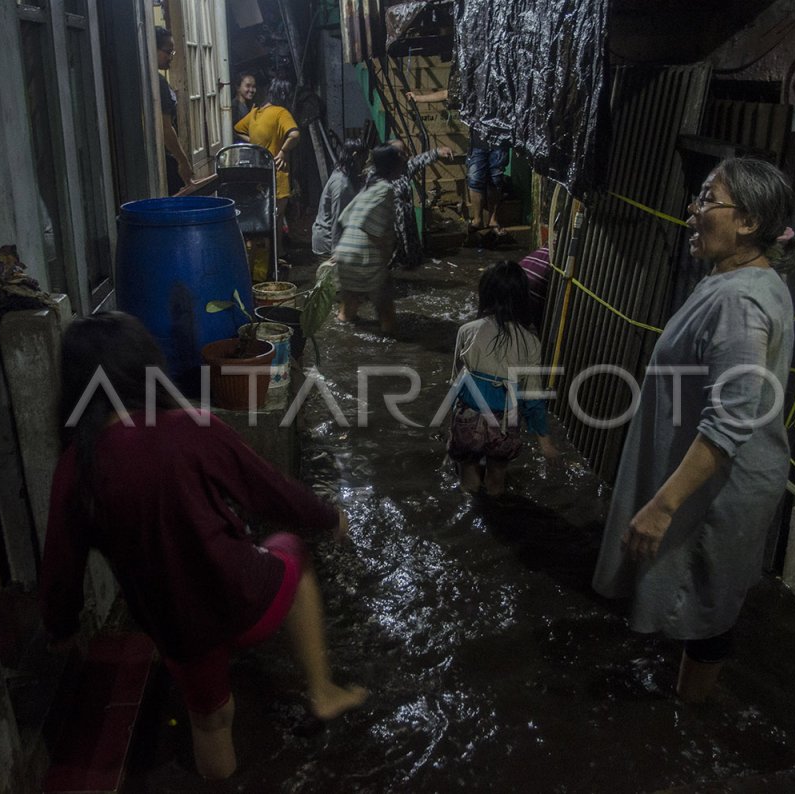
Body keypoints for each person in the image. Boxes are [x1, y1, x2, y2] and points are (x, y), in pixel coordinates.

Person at [40, 312, 367, 780]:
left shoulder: (76, 468)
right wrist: (327, 515)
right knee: (291, 551)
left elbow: (60, 565)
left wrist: (60, 627)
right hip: (240, 593)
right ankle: (323, 691)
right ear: (143, 367)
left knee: (211, 721)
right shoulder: (190, 428)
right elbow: (270, 491)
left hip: (174, 624)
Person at [591, 157, 795, 704]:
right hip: (712, 480)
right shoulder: (738, 279)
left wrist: (662, 506)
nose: (693, 212)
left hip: (717, 489)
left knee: (707, 609)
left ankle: (690, 719)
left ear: (748, 222)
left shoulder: (740, 302)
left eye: (708, 200)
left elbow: (730, 420)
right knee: (699, 594)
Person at [447, 260, 560, 496]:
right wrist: (545, 442)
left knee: (468, 476)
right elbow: (533, 396)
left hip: (469, 418)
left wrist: (451, 428)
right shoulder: (530, 342)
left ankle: (472, 516)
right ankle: (497, 513)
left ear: (485, 294)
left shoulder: (467, 331)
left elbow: (456, 383)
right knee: (497, 480)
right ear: (522, 299)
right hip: (505, 423)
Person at [407, 88, 510, 244]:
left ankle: (493, 219)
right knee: (475, 179)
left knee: (496, 179)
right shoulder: (478, 82)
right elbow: (448, 93)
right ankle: (477, 219)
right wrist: (419, 98)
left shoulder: (504, 82)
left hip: (500, 140)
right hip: (479, 141)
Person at [331, 142, 402, 334]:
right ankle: (391, 352)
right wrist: (384, 261)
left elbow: (345, 216)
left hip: (344, 251)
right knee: (385, 308)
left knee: (348, 309)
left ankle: (343, 343)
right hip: (365, 253)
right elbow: (373, 228)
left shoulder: (368, 186)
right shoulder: (386, 189)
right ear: (393, 166)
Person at [235, 78, 300, 254]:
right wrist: (283, 152)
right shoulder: (281, 112)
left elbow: (237, 129)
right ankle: (277, 258)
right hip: (276, 175)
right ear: (285, 95)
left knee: (261, 221)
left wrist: (256, 145)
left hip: (258, 176)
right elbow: (294, 134)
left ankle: (264, 258)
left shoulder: (256, 112)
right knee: (276, 220)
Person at [387, 139, 453, 269]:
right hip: (391, 223)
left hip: (407, 219)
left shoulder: (403, 169)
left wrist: (438, 152)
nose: (408, 153)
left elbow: (419, 160)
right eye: (403, 151)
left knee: (410, 256)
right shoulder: (379, 174)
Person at [311, 138, 367, 258]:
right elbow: (338, 219)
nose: (365, 162)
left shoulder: (341, 172)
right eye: (364, 158)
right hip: (328, 241)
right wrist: (336, 252)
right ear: (356, 156)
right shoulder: (342, 183)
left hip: (331, 238)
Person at [156, 27, 193, 196]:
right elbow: (165, 127)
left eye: (172, 51)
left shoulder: (159, 80)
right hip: (164, 159)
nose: (171, 57)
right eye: (167, 52)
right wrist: (182, 160)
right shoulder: (157, 83)